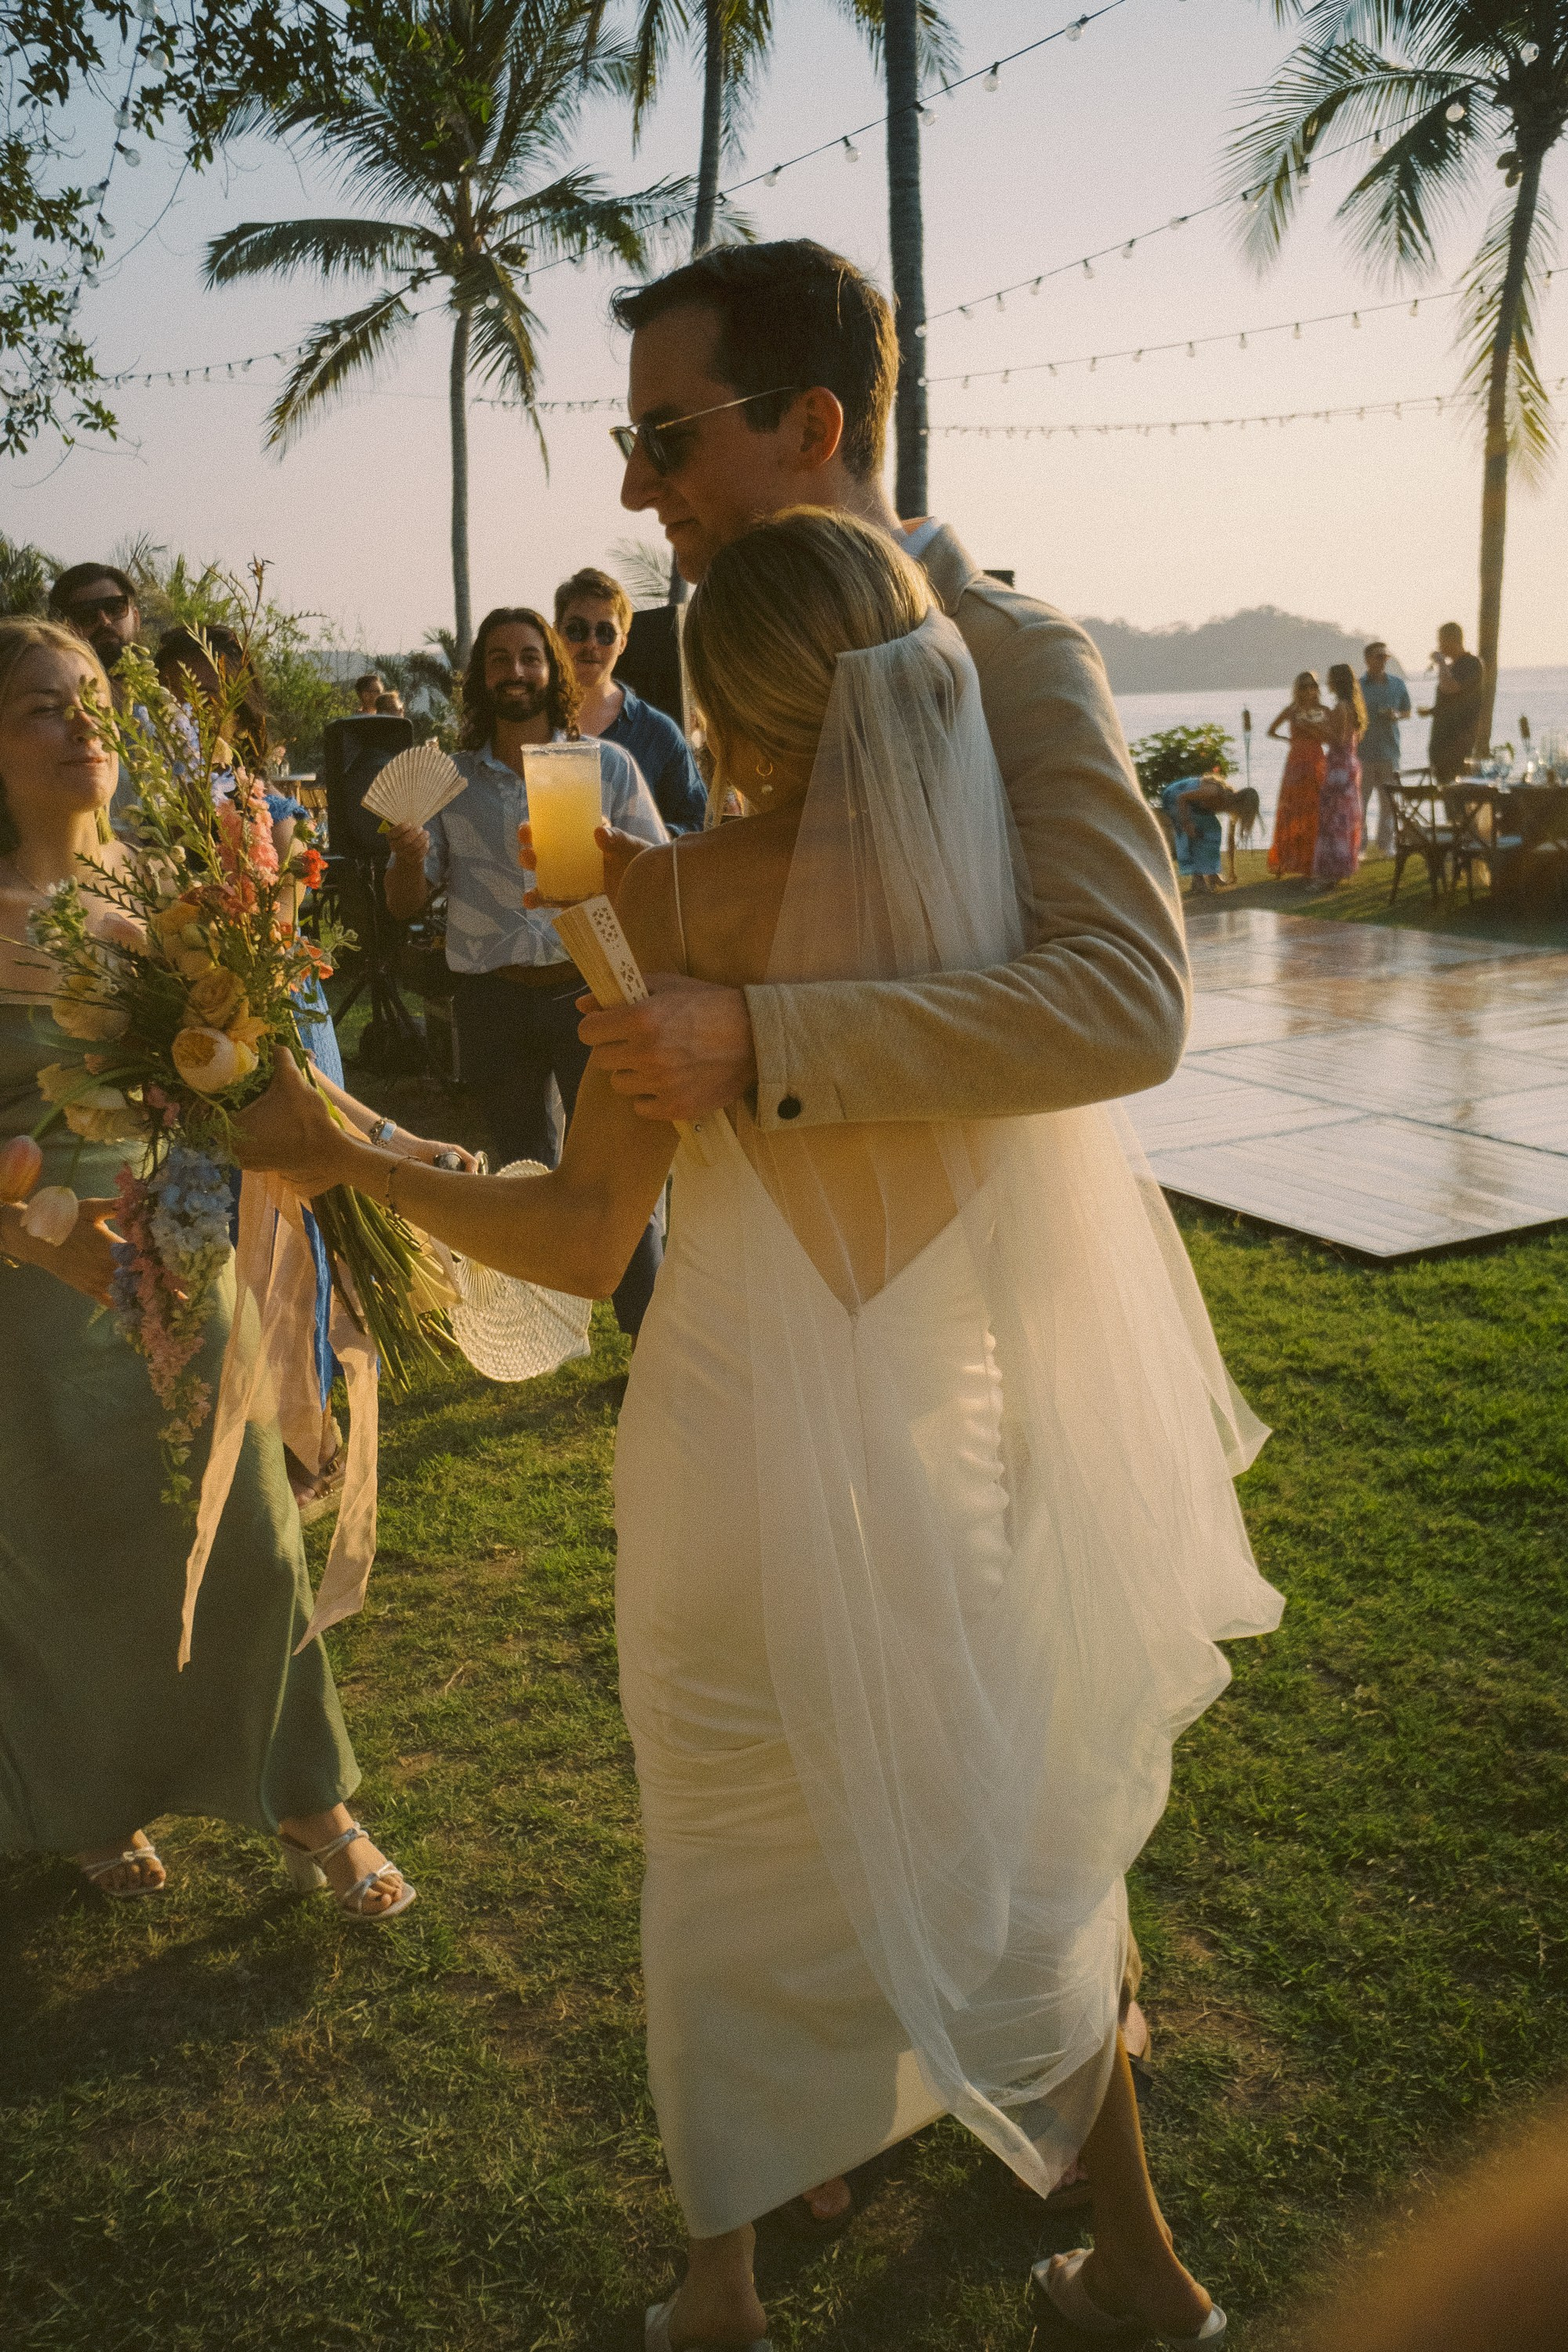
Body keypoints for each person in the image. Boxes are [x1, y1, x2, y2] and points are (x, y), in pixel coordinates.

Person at [235, 511, 1280, 2352]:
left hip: (722, 1462)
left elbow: (578, 1236)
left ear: (718, 693)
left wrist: (345, 1143)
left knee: (718, 1858)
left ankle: (716, 2296)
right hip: (943, 1455)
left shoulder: (670, 899)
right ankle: (1138, 2264)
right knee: (1013, 1840)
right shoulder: (1011, 921)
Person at [593, 234, 1175, 2169]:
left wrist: (760, 1032)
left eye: (662, 434)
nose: (630, 485)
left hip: (959, 1335)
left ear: (813, 422)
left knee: (975, 1774)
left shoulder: (1007, 654)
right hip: (798, 1325)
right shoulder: (749, 662)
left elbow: (1125, 995)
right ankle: (864, 2109)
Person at [0, 615, 459, 1918]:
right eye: (43, 706)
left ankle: (312, 1802)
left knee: (252, 1536)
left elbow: (248, 1079)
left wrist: (379, 1145)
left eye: (94, 701)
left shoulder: (167, 898)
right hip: (29, 1293)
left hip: (186, 1251)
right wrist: (42, 1244)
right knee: (70, 1557)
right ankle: (91, 1806)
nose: (84, 725)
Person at [382, 606, 667, 1336]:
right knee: (525, 1174)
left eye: (531, 657)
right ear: (482, 677)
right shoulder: (446, 782)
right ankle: (551, 1332)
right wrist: (406, 858)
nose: (516, 671)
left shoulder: (607, 766)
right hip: (492, 998)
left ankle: (653, 1337)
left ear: (553, 671)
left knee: (617, 1180)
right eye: (500, 659)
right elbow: (404, 904)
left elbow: (658, 878)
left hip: (589, 989)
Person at [554, 565, 706, 833]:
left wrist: (637, 841)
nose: (591, 644)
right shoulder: (530, 723)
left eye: (605, 633)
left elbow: (697, 823)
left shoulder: (658, 733)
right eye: (577, 630)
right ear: (556, 633)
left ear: (623, 643)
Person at [1265, 673, 1327, 878]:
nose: (1309, 690)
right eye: (1304, 687)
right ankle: (1286, 860)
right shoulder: (1291, 710)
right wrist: (1288, 740)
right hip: (1296, 763)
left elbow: (1329, 737)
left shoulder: (1323, 711)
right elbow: (1271, 730)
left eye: (1312, 686)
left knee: (1315, 808)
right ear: (1298, 689)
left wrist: (1313, 729)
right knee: (1291, 809)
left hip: (1316, 760)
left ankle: (1312, 860)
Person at [1160, 772, 1261, 896]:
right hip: (1174, 796)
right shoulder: (1215, 792)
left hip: (1191, 803)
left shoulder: (1230, 806)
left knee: (1214, 830)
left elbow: (1231, 839)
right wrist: (1186, 823)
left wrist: (1232, 871)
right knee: (1193, 835)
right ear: (1242, 803)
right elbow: (1182, 797)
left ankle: (1212, 875)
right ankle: (1198, 882)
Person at [1313, 665, 1366, 884]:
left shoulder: (1341, 708)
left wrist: (1317, 728)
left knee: (1333, 818)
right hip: (1349, 763)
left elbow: (1338, 739)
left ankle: (1331, 872)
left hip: (1338, 765)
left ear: (1337, 682)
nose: (1328, 682)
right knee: (1343, 817)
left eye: (1330, 678)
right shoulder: (1352, 707)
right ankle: (1341, 866)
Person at [1357, 641, 1410, 858]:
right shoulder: (1358, 687)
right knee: (1360, 802)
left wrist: (1395, 715)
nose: (1382, 661)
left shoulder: (1397, 684)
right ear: (1368, 659)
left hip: (1389, 752)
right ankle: (1359, 846)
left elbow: (1406, 710)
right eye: (1378, 657)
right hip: (1363, 753)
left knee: (1388, 803)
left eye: (1384, 657)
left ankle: (1385, 845)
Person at [1420, 622, 1486, 784]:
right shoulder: (1451, 667)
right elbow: (1450, 702)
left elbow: (1451, 688)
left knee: (1457, 794)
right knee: (1446, 794)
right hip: (1440, 743)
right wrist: (1431, 711)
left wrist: (1441, 663)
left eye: (1441, 641)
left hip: (1458, 744)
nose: (1439, 646)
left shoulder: (1471, 664)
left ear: (1452, 640)